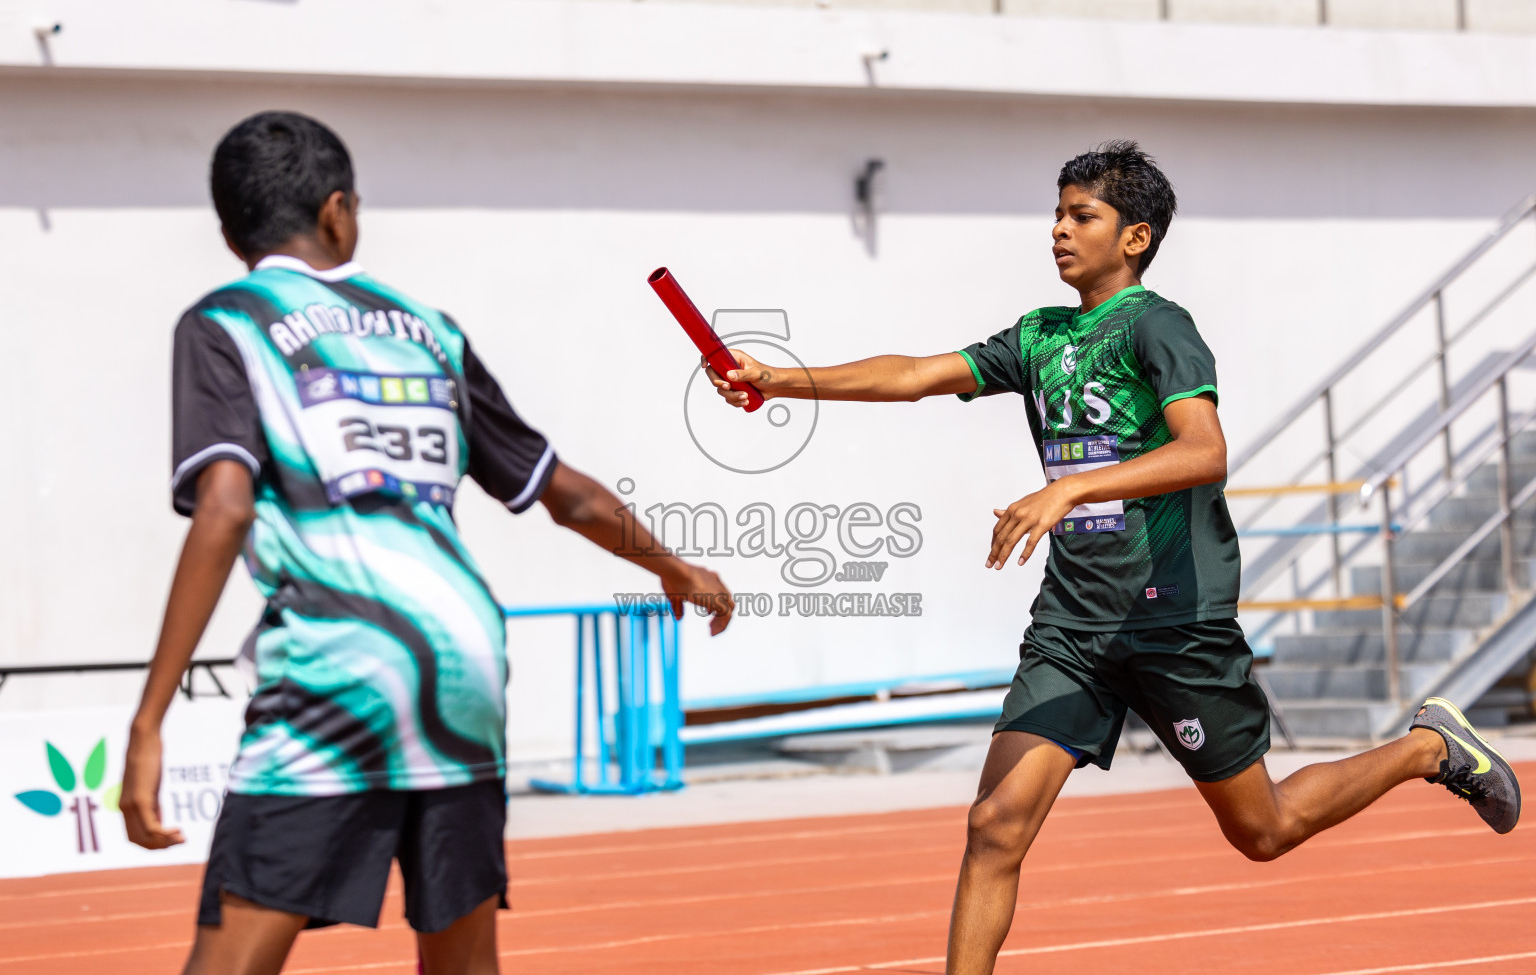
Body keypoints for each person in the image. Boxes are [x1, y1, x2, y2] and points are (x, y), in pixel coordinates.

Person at [708, 140, 1520, 975]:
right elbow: (915, 374)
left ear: (1134, 237)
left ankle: (1431, 747)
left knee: (1264, 832)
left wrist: (1071, 489)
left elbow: (1204, 450)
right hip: (1076, 625)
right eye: (1056, 213)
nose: (1057, 230)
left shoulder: (1158, 327)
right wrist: (780, 380)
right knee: (994, 825)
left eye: (1080, 215)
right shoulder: (1039, 336)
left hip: (1176, 618)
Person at [121, 110, 734, 975]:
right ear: (339, 211)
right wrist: (674, 567)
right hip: (466, 661)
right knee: (463, 961)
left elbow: (224, 507)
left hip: (344, 663)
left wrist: (150, 720)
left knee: (227, 962)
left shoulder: (228, 321)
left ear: (230, 234)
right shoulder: (429, 329)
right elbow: (564, 491)